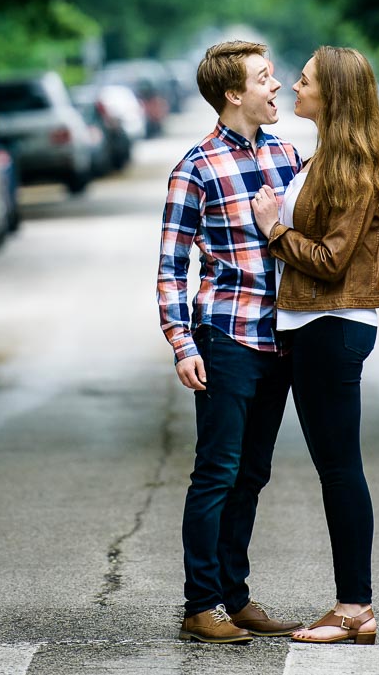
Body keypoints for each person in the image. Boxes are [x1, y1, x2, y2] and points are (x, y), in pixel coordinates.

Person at [250, 46, 379, 646]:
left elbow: (333, 260)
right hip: (311, 326)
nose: (292, 85)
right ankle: (352, 605)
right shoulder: (324, 159)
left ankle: (354, 608)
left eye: (305, 80)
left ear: (332, 95)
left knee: (340, 469)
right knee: (335, 467)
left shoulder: (355, 166)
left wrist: (273, 230)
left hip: (332, 326)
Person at [157, 39, 304, 644]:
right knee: (217, 471)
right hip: (225, 333)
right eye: (264, 79)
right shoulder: (195, 168)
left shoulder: (290, 156)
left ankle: (235, 597)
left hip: (281, 338)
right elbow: (171, 267)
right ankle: (201, 603)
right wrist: (182, 344)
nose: (277, 87)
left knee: (253, 472)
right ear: (232, 94)